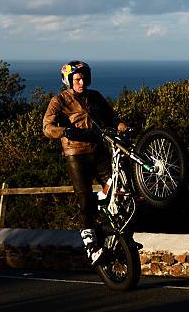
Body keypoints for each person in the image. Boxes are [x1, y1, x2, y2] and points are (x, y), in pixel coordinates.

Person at [42, 60, 127, 265]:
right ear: (68, 80)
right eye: (78, 79)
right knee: (84, 197)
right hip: (75, 154)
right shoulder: (59, 100)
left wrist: (122, 126)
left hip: (99, 150)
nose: (82, 82)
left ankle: (114, 230)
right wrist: (64, 131)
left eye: (84, 78)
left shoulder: (95, 96)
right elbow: (47, 127)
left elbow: (111, 117)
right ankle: (91, 244)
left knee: (118, 188)